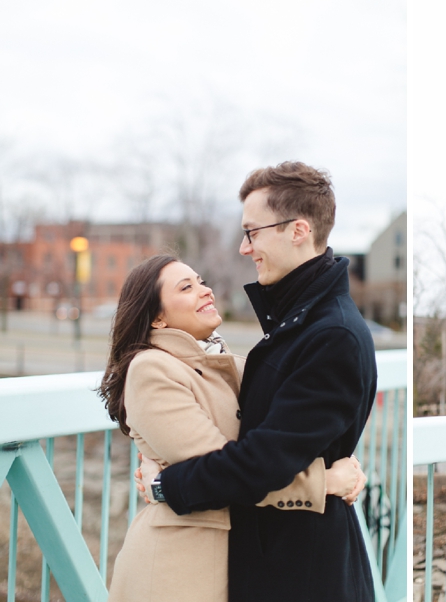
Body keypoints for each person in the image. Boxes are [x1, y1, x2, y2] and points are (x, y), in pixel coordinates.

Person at [136, 161, 378, 601]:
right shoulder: (301, 325)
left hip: (301, 573)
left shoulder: (330, 335)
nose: (245, 248)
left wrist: (165, 485)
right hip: (280, 561)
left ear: (298, 231)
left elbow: (259, 463)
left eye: (253, 232)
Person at [99, 254, 364, 602]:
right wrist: (325, 481)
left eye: (201, 281)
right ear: (158, 317)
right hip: (176, 569)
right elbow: (230, 470)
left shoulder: (234, 367)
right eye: (187, 287)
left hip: (235, 561)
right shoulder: (151, 370)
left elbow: (274, 445)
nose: (205, 291)